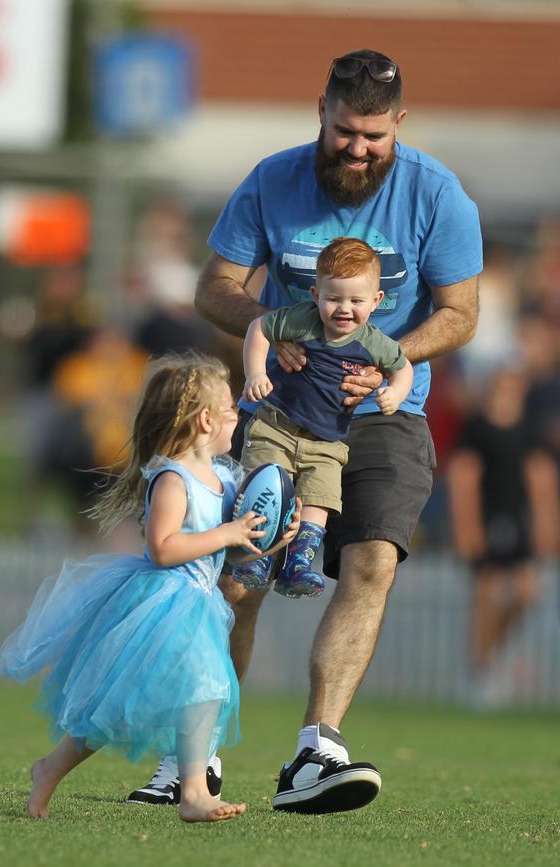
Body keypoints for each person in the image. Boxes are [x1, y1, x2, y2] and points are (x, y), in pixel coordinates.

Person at [167, 46, 480, 814]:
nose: (358, 148)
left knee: (373, 560)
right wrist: (271, 330)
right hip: (280, 413)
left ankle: (317, 749)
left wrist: (391, 360)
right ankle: (199, 758)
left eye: (375, 135)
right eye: (346, 130)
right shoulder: (273, 180)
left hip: (383, 413)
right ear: (323, 111)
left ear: (398, 124)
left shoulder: (437, 195)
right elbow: (214, 287)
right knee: (241, 572)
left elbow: (461, 312)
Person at [0, 353, 299, 823]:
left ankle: (193, 792)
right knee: (115, 708)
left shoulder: (226, 478)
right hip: (162, 603)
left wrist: (271, 538)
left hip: (200, 604)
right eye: (231, 409)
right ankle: (50, 769)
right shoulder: (172, 479)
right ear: (205, 420)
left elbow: (230, 553)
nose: (239, 414)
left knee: (206, 690)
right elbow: (163, 548)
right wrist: (228, 534)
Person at [234, 237, 413, 598]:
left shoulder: (373, 342)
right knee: (266, 491)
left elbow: (403, 366)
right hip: (277, 427)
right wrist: (255, 372)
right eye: (334, 298)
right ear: (316, 295)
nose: (344, 309)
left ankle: (297, 564)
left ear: (376, 301)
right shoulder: (303, 320)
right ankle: (258, 556)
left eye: (356, 301)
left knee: (319, 500)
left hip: (327, 442)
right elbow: (259, 329)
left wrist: (395, 392)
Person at [447, 367, 560, 705]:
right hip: (488, 517)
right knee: (486, 595)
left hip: (517, 518)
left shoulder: (528, 430)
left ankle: (491, 656)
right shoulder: (477, 428)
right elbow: (462, 478)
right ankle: (480, 672)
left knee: (526, 591)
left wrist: (546, 523)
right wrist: (467, 527)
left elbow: (541, 478)